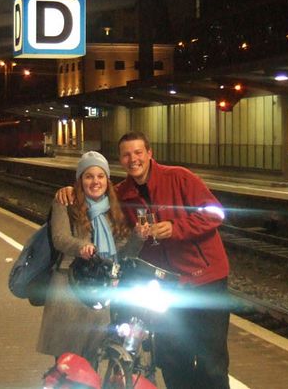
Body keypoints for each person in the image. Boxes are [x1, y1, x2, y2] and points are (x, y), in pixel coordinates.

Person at [56, 132, 231, 389]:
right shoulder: (122, 194)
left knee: (211, 361)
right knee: (172, 360)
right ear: (121, 159)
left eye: (138, 152)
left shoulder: (179, 177)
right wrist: (71, 189)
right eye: (126, 154)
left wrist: (175, 227)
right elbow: (94, 197)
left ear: (150, 153)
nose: (133, 159)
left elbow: (216, 212)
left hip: (204, 279)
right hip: (164, 286)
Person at [38, 151, 140, 365]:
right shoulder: (65, 202)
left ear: (107, 179)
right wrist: (81, 246)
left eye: (100, 176)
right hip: (69, 284)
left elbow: (122, 250)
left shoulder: (112, 207)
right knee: (67, 361)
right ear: (80, 180)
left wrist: (138, 237)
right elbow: (59, 237)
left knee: (93, 356)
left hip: (100, 287)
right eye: (89, 176)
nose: (95, 182)